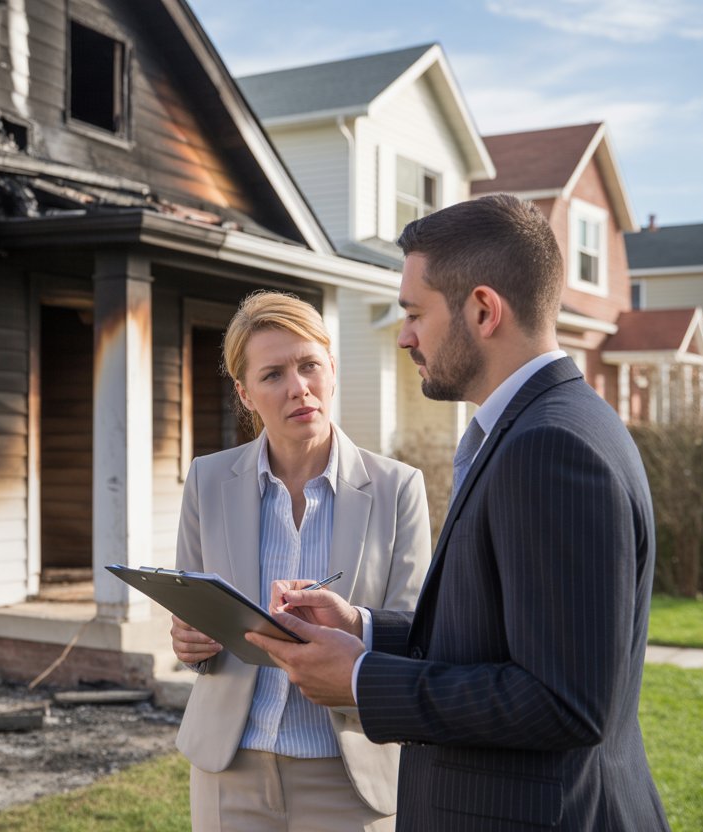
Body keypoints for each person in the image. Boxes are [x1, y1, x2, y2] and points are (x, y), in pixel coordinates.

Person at [249, 194, 671, 831]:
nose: (405, 336)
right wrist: (364, 628)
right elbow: (499, 636)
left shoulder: (550, 447)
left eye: (415, 313)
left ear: (482, 309)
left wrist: (363, 680)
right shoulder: (545, 426)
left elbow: (564, 702)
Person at [171, 291, 432, 831]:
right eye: (272, 375)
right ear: (245, 393)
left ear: (332, 369)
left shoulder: (399, 488)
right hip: (230, 770)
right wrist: (189, 644)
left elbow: (415, 637)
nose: (298, 388)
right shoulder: (208, 480)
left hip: (351, 774)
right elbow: (193, 619)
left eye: (310, 364)